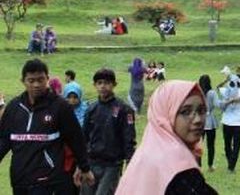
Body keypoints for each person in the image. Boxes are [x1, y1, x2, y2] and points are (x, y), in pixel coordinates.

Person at [0, 58, 95, 193]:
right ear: (23, 81)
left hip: (48, 180)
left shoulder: (60, 107)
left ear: (47, 79)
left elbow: (76, 138)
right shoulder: (14, 107)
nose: (36, 85)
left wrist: (84, 167)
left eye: (40, 80)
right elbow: (4, 140)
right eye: (31, 80)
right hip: (19, 180)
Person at [115, 80, 218, 194]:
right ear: (166, 116)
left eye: (201, 110)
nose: (198, 119)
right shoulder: (179, 167)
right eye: (185, 112)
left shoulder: (146, 153)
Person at [81, 68, 136, 195]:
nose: (103, 86)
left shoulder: (124, 109)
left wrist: (130, 162)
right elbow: (84, 137)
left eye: (106, 83)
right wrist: (81, 164)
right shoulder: (91, 109)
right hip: (91, 163)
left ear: (114, 84)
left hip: (112, 164)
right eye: (99, 83)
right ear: (94, 85)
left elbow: (129, 138)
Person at [218, 74, 240, 173]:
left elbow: (218, 87)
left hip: (226, 122)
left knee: (227, 145)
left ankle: (230, 164)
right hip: (237, 124)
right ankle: (231, 167)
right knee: (236, 146)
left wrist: (225, 80)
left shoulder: (226, 92)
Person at [198, 74, 219, 172]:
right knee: (211, 145)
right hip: (210, 120)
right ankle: (210, 166)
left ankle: (198, 166)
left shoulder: (197, 92)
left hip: (199, 121)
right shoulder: (212, 93)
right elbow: (216, 104)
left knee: (198, 145)